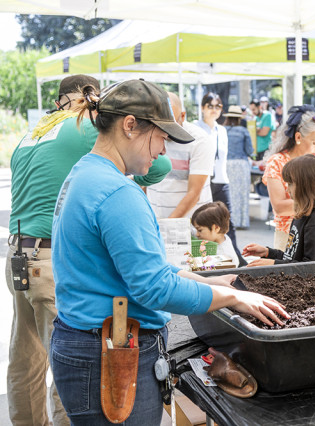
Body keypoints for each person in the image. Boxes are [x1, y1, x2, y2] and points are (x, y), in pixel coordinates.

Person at [49, 79, 289, 424]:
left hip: (88, 342)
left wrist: (210, 281)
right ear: (130, 125)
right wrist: (233, 299)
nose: (163, 150)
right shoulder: (118, 192)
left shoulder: (86, 173)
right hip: (108, 353)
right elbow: (154, 288)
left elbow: (136, 269)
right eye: (161, 136)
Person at [5, 75, 171, 426]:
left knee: (26, 360)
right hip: (53, 261)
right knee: (72, 361)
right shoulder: (84, 126)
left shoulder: (35, 131)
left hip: (19, 257)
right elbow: (160, 166)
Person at [262, 105, 315, 251]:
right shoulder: (277, 162)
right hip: (288, 235)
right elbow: (279, 207)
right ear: (298, 137)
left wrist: (307, 201)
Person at [243, 154, 315, 266]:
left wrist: (273, 264)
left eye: (291, 184)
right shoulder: (303, 214)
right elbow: (292, 258)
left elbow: (312, 268)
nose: (288, 190)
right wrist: (268, 253)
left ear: (306, 185)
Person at [196, 92, 247, 266]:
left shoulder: (222, 130)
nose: (214, 110)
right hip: (203, 180)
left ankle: (235, 258)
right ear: (202, 107)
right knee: (203, 221)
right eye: (210, 106)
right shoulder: (196, 128)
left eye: (218, 106)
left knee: (227, 222)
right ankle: (205, 260)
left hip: (221, 180)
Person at [147, 92, 215, 218]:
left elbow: (194, 193)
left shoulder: (200, 141)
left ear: (182, 116)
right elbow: (144, 180)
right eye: (160, 125)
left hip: (190, 223)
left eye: (170, 125)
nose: (166, 131)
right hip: (155, 218)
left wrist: (169, 224)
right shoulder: (149, 135)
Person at [224, 105, 254, 228]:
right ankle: (241, 221)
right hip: (240, 164)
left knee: (228, 194)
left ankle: (228, 221)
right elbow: (249, 150)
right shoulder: (243, 131)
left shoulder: (222, 130)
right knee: (241, 194)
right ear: (239, 118)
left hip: (226, 164)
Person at [191, 201, 240, 267]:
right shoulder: (219, 236)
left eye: (199, 230)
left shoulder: (225, 257)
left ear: (216, 228)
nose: (196, 234)